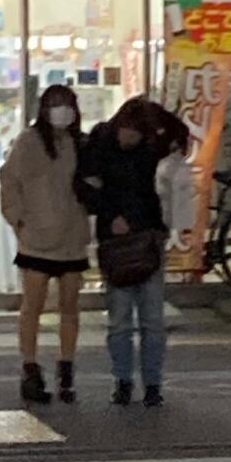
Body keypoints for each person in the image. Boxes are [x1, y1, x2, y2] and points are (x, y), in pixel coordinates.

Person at [76, 96, 191, 407]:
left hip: (148, 238)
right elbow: (83, 186)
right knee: (120, 319)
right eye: (127, 131)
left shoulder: (154, 146)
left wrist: (154, 112)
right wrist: (111, 215)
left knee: (152, 319)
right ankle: (123, 380)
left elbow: (180, 131)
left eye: (137, 133)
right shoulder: (100, 141)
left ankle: (153, 384)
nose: (130, 138)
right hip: (115, 243)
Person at [0, 83, 90, 405]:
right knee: (32, 307)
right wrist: (18, 220)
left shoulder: (81, 144)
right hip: (35, 240)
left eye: (66, 104)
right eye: (55, 104)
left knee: (70, 308)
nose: (61, 110)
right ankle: (30, 367)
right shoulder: (28, 142)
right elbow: (9, 180)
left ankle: (66, 368)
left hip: (72, 238)